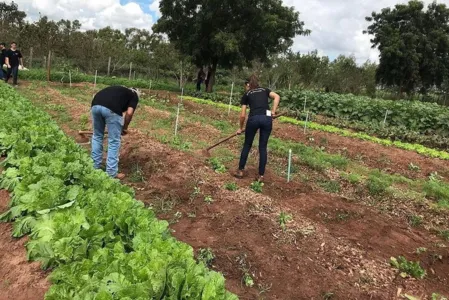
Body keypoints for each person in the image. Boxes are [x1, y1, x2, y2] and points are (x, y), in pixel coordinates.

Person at [235, 75, 280, 182]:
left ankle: (240, 170)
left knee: (247, 144)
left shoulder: (247, 94)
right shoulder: (265, 90)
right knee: (263, 147)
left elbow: (242, 115)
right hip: (267, 118)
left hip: (253, 119)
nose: (245, 88)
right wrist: (273, 111)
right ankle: (261, 176)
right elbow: (277, 96)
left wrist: (240, 128)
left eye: (245, 86)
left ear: (248, 85)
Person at [91, 86, 140, 179]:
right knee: (114, 141)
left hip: (95, 105)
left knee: (97, 136)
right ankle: (111, 173)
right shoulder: (134, 96)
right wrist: (124, 127)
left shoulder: (120, 90)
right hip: (112, 109)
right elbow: (129, 113)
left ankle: (94, 166)